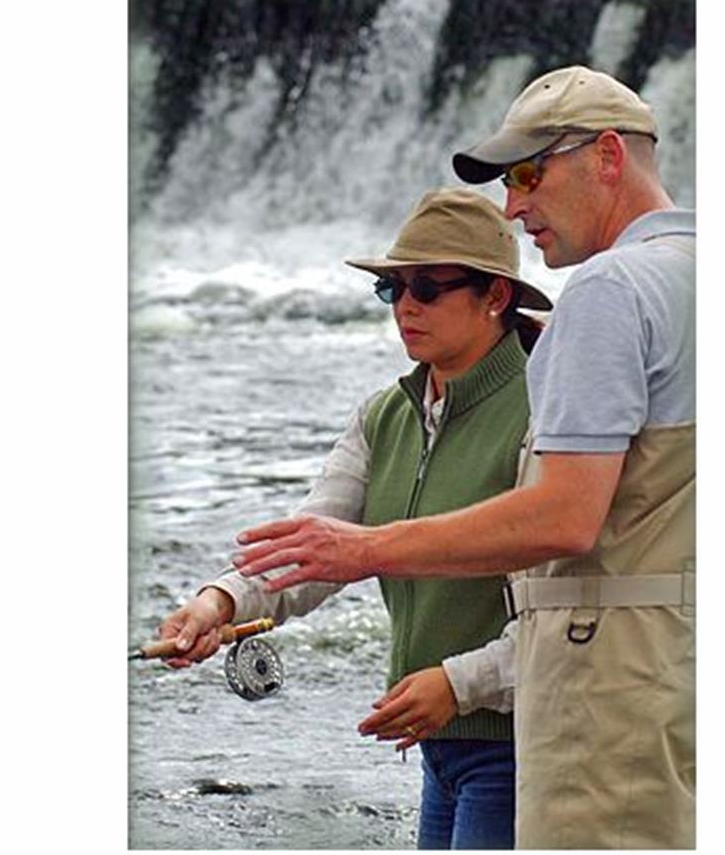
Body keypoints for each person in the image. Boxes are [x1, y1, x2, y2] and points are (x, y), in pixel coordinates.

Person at [231, 65, 696, 848]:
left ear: (608, 156)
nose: (514, 209)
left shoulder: (610, 290)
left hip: (605, 693)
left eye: (529, 174)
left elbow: (566, 515)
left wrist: (365, 550)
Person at [155, 187, 554, 850]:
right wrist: (217, 603)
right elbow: (315, 545)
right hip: (440, 752)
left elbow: (572, 613)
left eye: (427, 287)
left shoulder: (550, 410)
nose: (405, 306)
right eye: (392, 289)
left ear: (496, 297)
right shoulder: (383, 416)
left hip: (526, 750)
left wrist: (460, 684)